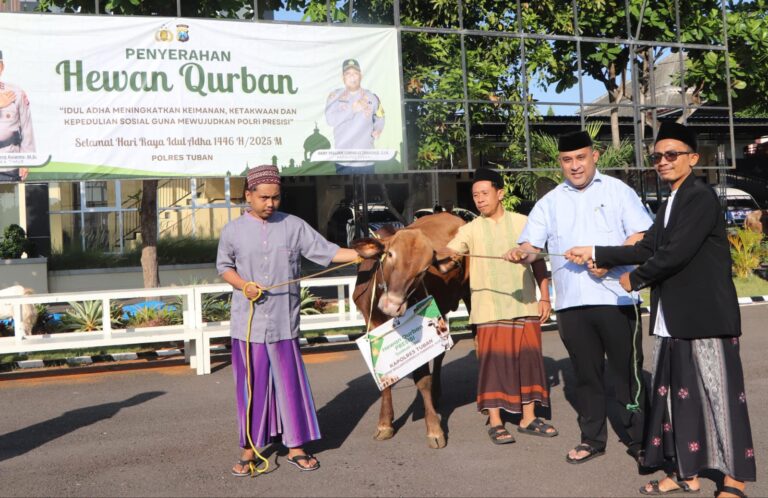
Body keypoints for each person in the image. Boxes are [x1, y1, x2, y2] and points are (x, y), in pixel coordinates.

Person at [565, 122, 756, 497]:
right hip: (673, 319)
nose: (663, 162)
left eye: (672, 155)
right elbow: (646, 248)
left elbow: (675, 253)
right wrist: (597, 252)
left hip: (706, 319)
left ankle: (734, 480)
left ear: (693, 158)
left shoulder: (699, 197)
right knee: (677, 400)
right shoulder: (670, 201)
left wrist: (634, 280)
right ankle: (687, 472)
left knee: (718, 395)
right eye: (657, 156)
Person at [504, 130, 652, 464]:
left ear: (594, 156)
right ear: (560, 162)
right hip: (571, 304)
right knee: (585, 377)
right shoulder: (550, 201)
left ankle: (639, 439)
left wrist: (608, 258)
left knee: (627, 374)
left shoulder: (618, 191)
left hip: (616, 299)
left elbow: (641, 236)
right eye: (567, 160)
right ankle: (592, 438)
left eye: (581, 157)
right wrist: (520, 253)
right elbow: (532, 247)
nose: (575, 166)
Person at [216, 164, 360, 476]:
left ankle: (296, 446)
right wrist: (244, 285)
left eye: (276, 198)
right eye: (264, 197)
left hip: (284, 322)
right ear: (248, 195)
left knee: (289, 385)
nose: (270, 204)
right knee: (252, 389)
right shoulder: (232, 231)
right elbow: (224, 266)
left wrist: (365, 253)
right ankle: (249, 450)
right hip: (248, 325)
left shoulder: (293, 225)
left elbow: (327, 251)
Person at [445, 167, 557, 445]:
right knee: (492, 365)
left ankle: (529, 418)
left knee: (529, 362)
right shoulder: (468, 230)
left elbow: (539, 261)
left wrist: (545, 297)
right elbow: (450, 254)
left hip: (525, 305)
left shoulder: (523, 222)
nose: (479, 199)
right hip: (489, 309)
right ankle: (495, 421)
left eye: (484, 193)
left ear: (500, 193)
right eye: (475, 195)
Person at [324, 58, 385, 175]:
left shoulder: (371, 97)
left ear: (360, 76)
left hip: (366, 159)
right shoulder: (335, 96)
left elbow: (380, 116)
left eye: (355, 73)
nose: (352, 77)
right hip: (344, 160)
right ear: (343, 77)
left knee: (367, 192)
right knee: (343, 193)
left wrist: (378, 128)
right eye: (348, 74)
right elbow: (330, 120)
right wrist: (351, 110)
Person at [0, 50, 35, 183]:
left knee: (9, 203)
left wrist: (25, 160)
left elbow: (26, 127)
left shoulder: (16, 93)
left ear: (1, 67)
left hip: (9, 167)